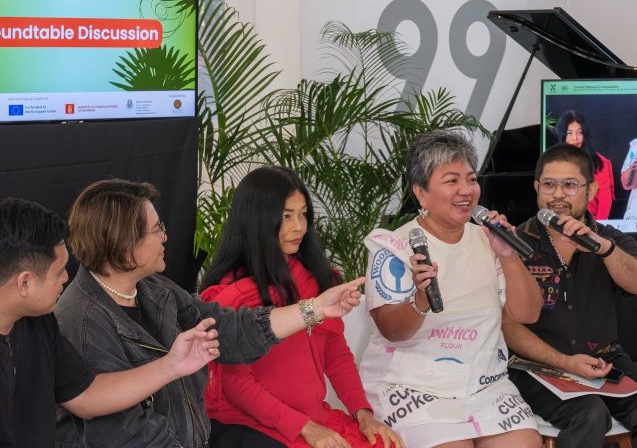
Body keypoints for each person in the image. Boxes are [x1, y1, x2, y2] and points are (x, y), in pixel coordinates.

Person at [55, 179, 366, 448]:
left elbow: (229, 330)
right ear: (124, 243)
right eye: (156, 229)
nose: (165, 236)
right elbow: (122, 433)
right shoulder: (83, 320)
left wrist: (316, 308)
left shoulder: (155, 289)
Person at [359, 129, 544, 448]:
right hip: (412, 389)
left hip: (485, 385)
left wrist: (509, 257)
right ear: (421, 192)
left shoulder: (487, 239)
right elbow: (392, 330)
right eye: (451, 181)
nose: (466, 191)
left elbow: (527, 313)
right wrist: (420, 299)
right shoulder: (394, 247)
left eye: (471, 179)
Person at [199, 166, 404, 448]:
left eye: (303, 214)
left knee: (386, 443)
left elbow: (335, 353)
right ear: (257, 219)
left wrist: (362, 412)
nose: (299, 227)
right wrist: (303, 427)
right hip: (254, 424)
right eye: (286, 216)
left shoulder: (315, 278)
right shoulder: (229, 296)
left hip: (312, 417)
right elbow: (236, 386)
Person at [0, 197, 220, 447]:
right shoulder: (78, 317)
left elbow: (86, 396)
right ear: (24, 283)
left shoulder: (38, 322)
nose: (66, 278)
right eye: (59, 271)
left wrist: (172, 365)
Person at [504, 144, 637, 448]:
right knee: (590, 415)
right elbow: (508, 326)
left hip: (604, 359)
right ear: (536, 187)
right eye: (549, 184)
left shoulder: (609, 239)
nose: (558, 194)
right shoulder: (514, 244)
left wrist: (603, 248)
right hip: (536, 366)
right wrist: (564, 362)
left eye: (570, 185)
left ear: (591, 189)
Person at [555, 110, 614, 219]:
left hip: (591, 225)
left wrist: (596, 229)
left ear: (584, 134)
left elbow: (605, 201)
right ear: (563, 135)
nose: (575, 138)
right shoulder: (554, 162)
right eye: (570, 133)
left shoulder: (600, 163)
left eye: (579, 132)